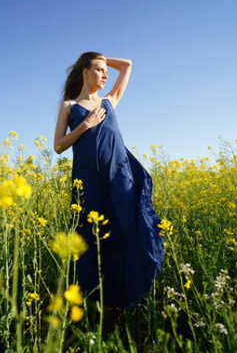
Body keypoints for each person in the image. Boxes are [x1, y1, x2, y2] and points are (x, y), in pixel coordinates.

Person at [52, 51, 165, 324]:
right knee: (89, 239)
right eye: (100, 69)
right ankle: (91, 303)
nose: (105, 74)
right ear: (85, 73)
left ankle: (121, 304)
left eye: (105, 70)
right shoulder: (69, 105)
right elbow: (58, 146)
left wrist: (101, 55)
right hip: (87, 180)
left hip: (119, 177)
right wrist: (85, 126)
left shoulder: (109, 100)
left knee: (125, 233)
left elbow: (126, 65)